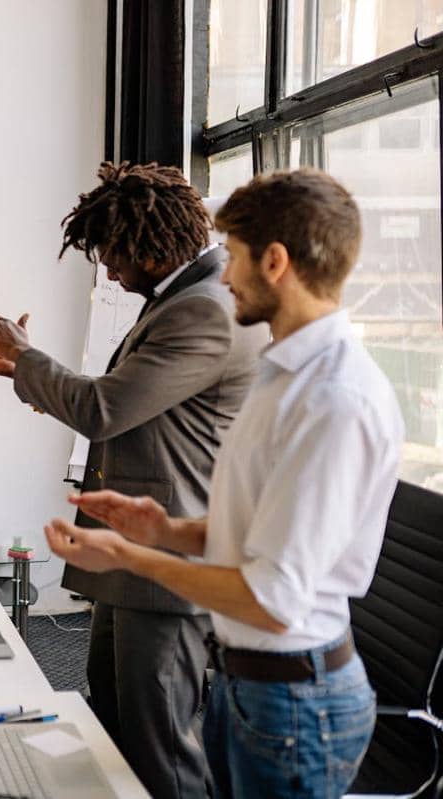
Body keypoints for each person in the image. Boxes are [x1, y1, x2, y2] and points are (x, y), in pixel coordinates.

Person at [46, 168, 403, 799]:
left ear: (274, 262)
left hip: (294, 704)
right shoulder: (284, 373)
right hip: (254, 684)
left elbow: (272, 596)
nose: (222, 275)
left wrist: (135, 556)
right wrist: (162, 530)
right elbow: (259, 530)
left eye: (232, 257)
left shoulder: (333, 399)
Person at [0, 161, 267, 798]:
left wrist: (23, 355)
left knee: (160, 747)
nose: (110, 271)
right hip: (136, 557)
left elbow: (103, 409)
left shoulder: (204, 309)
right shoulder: (183, 299)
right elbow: (121, 399)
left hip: (167, 564)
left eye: (112, 254)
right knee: (114, 718)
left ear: (146, 243)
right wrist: (18, 371)